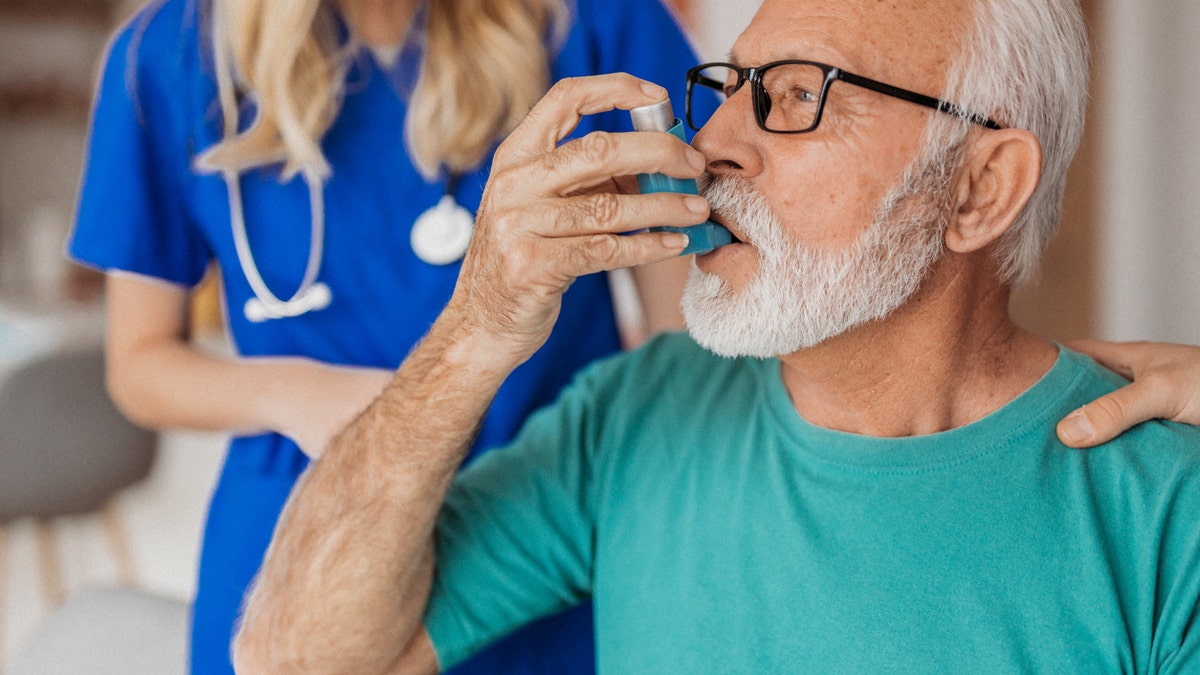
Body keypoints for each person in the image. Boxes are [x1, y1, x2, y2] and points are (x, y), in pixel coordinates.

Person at [232, 0, 1200, 671]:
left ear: (980, 187)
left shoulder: (1167, 507)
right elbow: (293, 658)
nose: (713, 145)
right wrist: (476, 327)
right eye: (727, 90)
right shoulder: (636, 412)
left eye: (793, 95)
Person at [67, 0, 701, 671]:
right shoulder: (165, 59)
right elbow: (138, 366)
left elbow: (685, 346)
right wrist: (296, 393)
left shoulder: (600, 24)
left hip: (551, 531)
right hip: (307, 538)